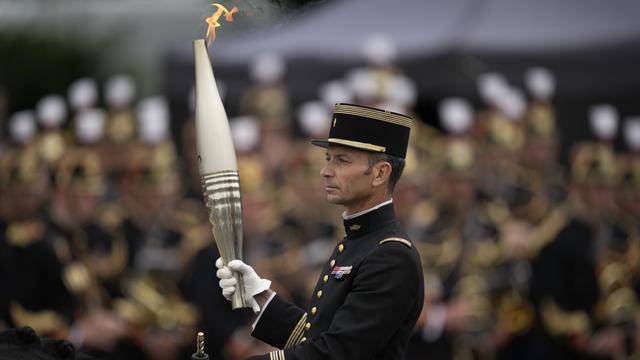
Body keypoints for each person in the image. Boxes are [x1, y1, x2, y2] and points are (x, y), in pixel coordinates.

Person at [216, 103, 424, 359]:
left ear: (380, 173)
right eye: (328, 159)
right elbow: (316, 336)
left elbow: (336, 353)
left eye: (342, 161)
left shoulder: (391, 256)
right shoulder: (359, 241)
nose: (325, 171)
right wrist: (259, 295)